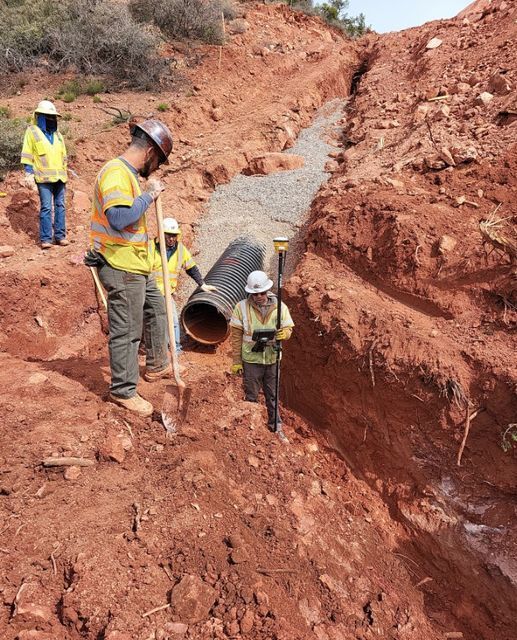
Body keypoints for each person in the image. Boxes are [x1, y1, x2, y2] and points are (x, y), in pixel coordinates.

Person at [86, 119, 174, 417]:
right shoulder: (115, 173)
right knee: (127, 330)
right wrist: (149, 196)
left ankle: (158, 363)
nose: (156, 167)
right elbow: (120, 219)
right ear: (150, 151)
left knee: (156, 309)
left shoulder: (128, 175)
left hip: (137, 265)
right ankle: (123, 390)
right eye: (158, 161)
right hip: (121, 266)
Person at [230, 270, 294, 433]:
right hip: (251, 360)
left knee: (272, 395)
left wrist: (285, 333)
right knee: (251, 395)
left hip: (272, 359)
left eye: (262, 293)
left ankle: (275, 426)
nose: (259, 296)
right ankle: (251, 430)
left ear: (267, 290)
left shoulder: (280, 307)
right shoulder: (241, 308)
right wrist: (236, 362)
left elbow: (288, 327)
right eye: (255, 293)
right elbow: (236, 337)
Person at [150, 217, 216, 352]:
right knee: (155, 321)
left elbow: (191, 268)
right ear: (161, 234)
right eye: (168, 235)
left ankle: (175, 348)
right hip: (151, 292)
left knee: (173, 321)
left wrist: (202, 284)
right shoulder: (150, 248)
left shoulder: (180, 250)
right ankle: (155, 348)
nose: (171, 239)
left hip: (167, 293)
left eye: (174, 236)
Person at [21, 100, 69, 249]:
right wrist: (28, 173)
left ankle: (60, 236)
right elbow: (28, 153)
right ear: (40, 116)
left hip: (60, 177)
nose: (51, 119)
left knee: (60, 206)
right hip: (43, 178)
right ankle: (46, 239)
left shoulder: (59, 135)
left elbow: (64, 156)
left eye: (53, 116)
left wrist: (66, 173)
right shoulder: (32, 132)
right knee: (47, 207)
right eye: (48, 116)